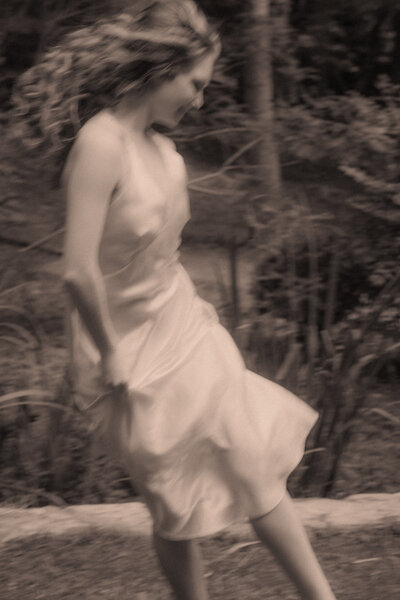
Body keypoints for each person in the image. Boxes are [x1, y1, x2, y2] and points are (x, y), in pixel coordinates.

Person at [13, 2, 337, 598]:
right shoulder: (101, 143)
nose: (200, 99)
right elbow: (79, 272)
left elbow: (163, 251)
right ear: (162, 68)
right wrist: (111, 355)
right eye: (196, 83)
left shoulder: (163, 150)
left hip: (183, 326)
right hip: (125, 352)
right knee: (171, 497)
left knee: (250, 458)